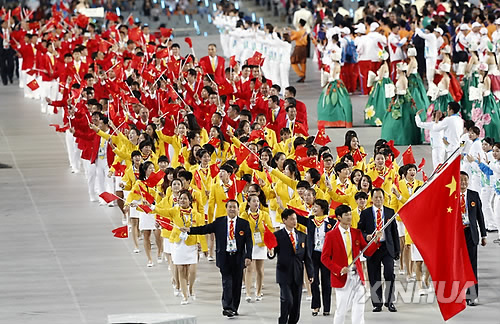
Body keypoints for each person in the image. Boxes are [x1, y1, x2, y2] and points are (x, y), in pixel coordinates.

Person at [181, 200, 252, 317]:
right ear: (226, 208)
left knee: (236, 284)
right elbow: (205, 229)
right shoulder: (219, 222)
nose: (232, 209)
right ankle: (227, 307)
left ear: (238, 209)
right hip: (224, 257)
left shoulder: (244, 224)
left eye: (234, 207)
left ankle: (234, 307)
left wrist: (248, 255)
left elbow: (249, 241)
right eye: (230, 207)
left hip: (238, 258)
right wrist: (190, 230)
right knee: (227, 282)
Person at [321, 204, 381, 324]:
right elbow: (325, 258)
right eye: (346, 215)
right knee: (342, 309)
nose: (349, 217)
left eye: (350, 214)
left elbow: (367, 251)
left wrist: (376, 241)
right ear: (339, 217)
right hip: (341, 277)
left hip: (357, 276)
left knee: (359, 307)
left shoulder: (356, 233)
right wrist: (338, 269)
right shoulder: (331, 236)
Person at [357, 188, 400, 312]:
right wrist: (367, 236)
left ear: (384, 198)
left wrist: (397, 250)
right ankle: (377, 303)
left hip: (387, 247)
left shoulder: (390, 212)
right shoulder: (365, 213)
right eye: (376, 197)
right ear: (371, 199)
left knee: (389, 274)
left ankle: (390, 301)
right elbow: (360, 231)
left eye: (380, 197)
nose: (378, 199)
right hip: (373, 248)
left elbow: (394, 232)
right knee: (374, 275)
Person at [268, 208, 313, 324]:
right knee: (287, 300)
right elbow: (272, 252)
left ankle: (293, 321)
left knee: (296, 302)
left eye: (295, 219)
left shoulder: (302, 236)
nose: (294, 221)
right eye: (292, 219)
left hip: (297, 273)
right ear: (284, 220)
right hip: (283, 272)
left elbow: (307, 257)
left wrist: (310, 273)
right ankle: (282, 320)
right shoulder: (278, 235)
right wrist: (271, 253)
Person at [296, 199, 335, 316]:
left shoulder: (331, 223)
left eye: (316, 206)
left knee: (326, 281)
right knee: (314, 281)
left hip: (326, 255)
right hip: (313, 254)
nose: (314, 208)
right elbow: (296, 217)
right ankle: (315, 306)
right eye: (314, 206)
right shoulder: (310, 221)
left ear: (323, 208)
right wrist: (282, 206)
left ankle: (327, 307)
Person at [459, 171, 487, 306]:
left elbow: (480, 217)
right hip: (456, 234)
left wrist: (483, 235)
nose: (463, 183)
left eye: (465, 180)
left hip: (471, 233)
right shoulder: (451, 196)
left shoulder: (473, 195)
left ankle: (472, 296)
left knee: (471, 266)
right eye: (461, 180)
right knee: (458, 266)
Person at [381, 62, 421, 145]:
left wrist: (395, 91)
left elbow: (404, 91)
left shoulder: (403, 79)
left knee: (400, 121)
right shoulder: (401, 78)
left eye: (397, 69)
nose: (396, 70)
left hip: (401, 102)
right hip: (398, 100)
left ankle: (400, 138)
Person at [317, 51, 353, 128]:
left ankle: (334, 120)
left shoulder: (335, 65)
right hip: (337, 83)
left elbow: (333, 76)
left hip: (334, 83)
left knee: (331, 101)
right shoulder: (337, 65)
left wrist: (326, 77)